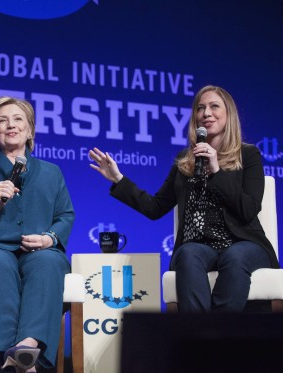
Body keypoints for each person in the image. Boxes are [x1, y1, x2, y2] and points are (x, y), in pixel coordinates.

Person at [89, 85, 279, 313]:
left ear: (228, 114)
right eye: (200, 108)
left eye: (214, 106)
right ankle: (198, 337)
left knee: (235, 256)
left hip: (244, 245)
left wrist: (216, 171)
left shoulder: (248, 155)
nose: (206, 113)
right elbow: (155, 207)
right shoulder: (185, 161)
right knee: (188, 253)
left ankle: (218, 337)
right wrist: (118, 179)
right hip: (200, 247)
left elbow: (248, 209)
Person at [0, 96, 75, 372]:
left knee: (50, 261)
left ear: (30, 130)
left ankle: (24, 349)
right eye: (2, 120)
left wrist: (49, 238)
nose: (11, 125)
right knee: (0, 263)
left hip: (36, 251)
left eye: (18, 119)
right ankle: (15, 358)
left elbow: (65, 216)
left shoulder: (52, 173)